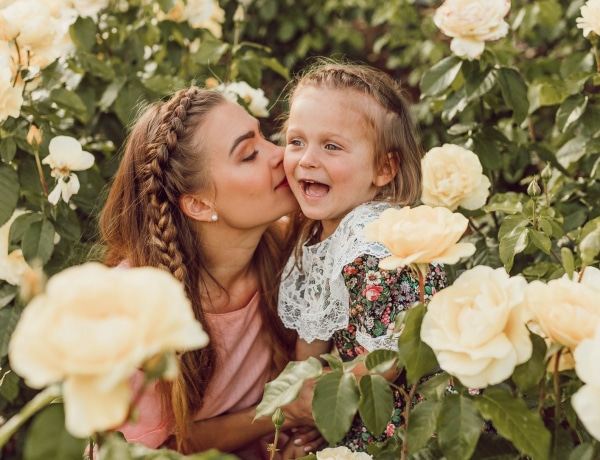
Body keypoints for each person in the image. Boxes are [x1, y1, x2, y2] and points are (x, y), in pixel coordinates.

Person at [99, 86, 320, 458]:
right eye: (249, 154)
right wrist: (282, 410)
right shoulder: (132, 309)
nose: (280, 155)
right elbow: (148, 452)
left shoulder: (292, 246)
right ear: (200, 204)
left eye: (265, 136)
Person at [278, 61, 447, 451]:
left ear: (384, 168)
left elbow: (389, 359)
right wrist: (301, 401)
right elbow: (311, 343)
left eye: (331, 146)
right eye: (296, 141)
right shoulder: (316, 232)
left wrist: (325, 406)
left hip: (402, 415)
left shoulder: (377, 240)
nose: (307, 160)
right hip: (355, 397)